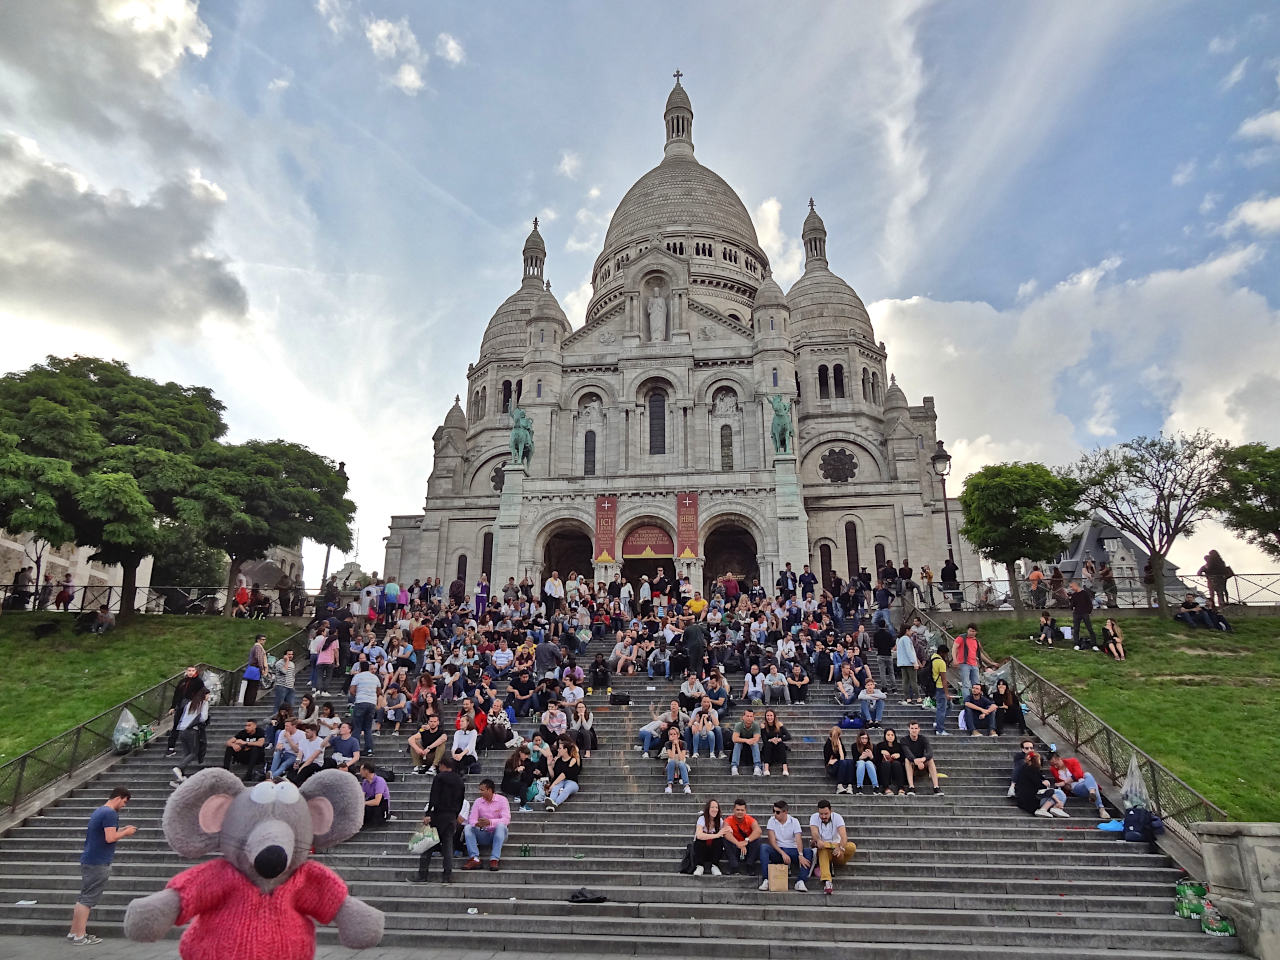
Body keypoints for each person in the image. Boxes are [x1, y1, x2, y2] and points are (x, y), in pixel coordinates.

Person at [68, 786, 135, 946]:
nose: (124, 806)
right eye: (124, 802)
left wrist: (121, 830)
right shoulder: (110, 813)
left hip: (90, 858)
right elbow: (110, 838)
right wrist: (126, 832)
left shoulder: (100, 811)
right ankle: (80, 936)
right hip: (98, 861)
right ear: (119, 797)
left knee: (83, 897)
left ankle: (75, 932)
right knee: (88, 900)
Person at [407, 756, 466, 883]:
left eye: (439, 766)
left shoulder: (439, 778)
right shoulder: (460, 781)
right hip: (451, 817)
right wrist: (455, 816)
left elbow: (433, 797)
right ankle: (447, 876)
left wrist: (428, 814)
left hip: (438, 815)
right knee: (448, 846)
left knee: (428, 845)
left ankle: (422, 875)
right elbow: (460, 801)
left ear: (443, 766)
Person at [758, 800, 810, 892]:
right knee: (764, 848)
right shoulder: (771, 820)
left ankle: (800, 881)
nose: (775, 814)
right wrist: (782, 853)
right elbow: (772, 841)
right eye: (773, 811)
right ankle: (766, 879)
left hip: (792, 850)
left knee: (808, 852)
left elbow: (798, 839)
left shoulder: (794, 821)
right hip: (778, 850)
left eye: (777, 812)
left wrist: (800, 854)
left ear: (785, 812)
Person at [808, 799, 856, 894]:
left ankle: (828, 846)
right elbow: (814, 833)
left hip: (838, 851)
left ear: (831, 811)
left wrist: (840, 848)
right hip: (824, 850)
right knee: (822, 849)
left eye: (826, 814)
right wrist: (818, 841)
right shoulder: (814, 817)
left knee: (852, 846)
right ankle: (827, 881)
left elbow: (843, 836)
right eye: (821, 814)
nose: (823, 816)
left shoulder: (837, 817)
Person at [463, 778, 511, 870]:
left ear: (489, 790)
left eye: (482, 790)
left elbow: (506, 819)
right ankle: (474, 858)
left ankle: (494, 859)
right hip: (483, 832)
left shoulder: (502, 800)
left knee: (501, 826)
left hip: (498, 834)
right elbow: (471, 819)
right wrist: (477, 824)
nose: (480, 792)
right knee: (468, 827)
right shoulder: (478, 801)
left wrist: (490, 822)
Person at [169, 687, 209, 787]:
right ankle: (179, 768)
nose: (209, 697)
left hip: (182, 730)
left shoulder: (190, 703)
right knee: (194, 752)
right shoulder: (203, 703)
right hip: (192, 730)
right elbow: (204, 717)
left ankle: (180, 775)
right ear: (204, 695)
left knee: (187, 753)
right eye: (208, 694)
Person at [1048, 752, 1108, 819]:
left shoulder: (1072, 761)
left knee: (1087, 775)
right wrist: (1064, 784)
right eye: (1053, 765)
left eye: (1056, 764)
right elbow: (1061, 783)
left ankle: (1092, 794)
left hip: (1084, 782)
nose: (1055, 766)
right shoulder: (1053, 769)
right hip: (1076, 788)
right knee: (1092, 785)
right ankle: (1101, 807)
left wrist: (1065, 782)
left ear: (1059, 758)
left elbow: (1079, 774)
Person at [1014, 750, 1068, 818]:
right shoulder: (1032, 770)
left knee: (1058, 793)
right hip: (1032, 802)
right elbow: (1041, 787)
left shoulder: (1025, 769)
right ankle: (1046, 809)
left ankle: (1056, 807)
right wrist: (1058, 801)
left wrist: (1045, 782)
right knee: (1059, 793)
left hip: (1024, 800)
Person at [349, 662, 381, 758]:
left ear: (360, 668)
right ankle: (369, 749)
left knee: (357, 727)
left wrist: (359, 694)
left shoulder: (358, 677)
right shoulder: (375, 677)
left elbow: (352, 691)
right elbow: (379, 691)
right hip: (371, 703)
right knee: (367, 728)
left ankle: (355, 749)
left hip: (361, 702)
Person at [724, 799, 763, 875]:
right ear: (734, 810)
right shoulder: (728, 820)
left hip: (747, 848)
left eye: (742, 810)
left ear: (745, 811)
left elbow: (758, 831)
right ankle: (734, 866)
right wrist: (738, 843)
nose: (740, 812)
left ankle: (750, 865)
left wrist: (746, 841)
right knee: (725, 839)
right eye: (737, 810)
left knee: (757, 840)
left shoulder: (750, 820)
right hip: (735, 847)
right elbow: (726, 833)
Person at [903, 722, 943, 794]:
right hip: (912, 762)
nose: (914, 730)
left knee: (930, 760)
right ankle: (911, 787)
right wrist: (915, 760)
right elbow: (907, 752)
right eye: (912, 728)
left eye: (916, 728)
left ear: (919, 729)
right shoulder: (904, 740)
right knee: (907, 760)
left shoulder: (923, 739)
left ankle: (936, 787)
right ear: (909, 729)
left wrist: (923, 759)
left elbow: (930, 752)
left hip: (922, 762)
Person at [692, 799, 728, 876]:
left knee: (719, 840)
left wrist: (728, 829)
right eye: (712, 807)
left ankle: (715, 866)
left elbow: (727, 830)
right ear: (708, 809)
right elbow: (699, 835)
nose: (714, 809)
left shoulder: (720, 821)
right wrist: (716, 835)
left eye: (716, 807)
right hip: (701, 849)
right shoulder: (702, 819)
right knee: (700, 840)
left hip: (713, 850)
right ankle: (700, 866)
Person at [545, 738, 581, 811]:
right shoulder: (558, 761)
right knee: (555, 788)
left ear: (565, 750)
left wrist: (553, 784)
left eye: (560, 748)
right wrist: (549, 765)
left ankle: (555, 804)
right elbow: (554, 776)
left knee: (566, 790)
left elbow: (564, 774)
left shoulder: (573, 760)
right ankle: (551, 803)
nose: (558, 750)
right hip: (561, 781)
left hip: (572, 782)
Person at [359, 761, 393, 827]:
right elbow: (362, 796)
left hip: (381, 805)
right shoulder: (365, 782)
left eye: (361, 770)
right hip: (370, 803)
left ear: (366, 771)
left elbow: (377, 801)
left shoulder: (379, 781)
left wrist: (363, 803)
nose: (360, 772)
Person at [875, 727, 908, 795]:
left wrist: (899, 755)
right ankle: (886, 787)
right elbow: (876, 760)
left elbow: (904, 758)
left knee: (896, 763)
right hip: (884, 768)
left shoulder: (899, 746)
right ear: (885, 736)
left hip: (897, 768)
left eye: (892, 735)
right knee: (886, 764)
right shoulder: (880, 745)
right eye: (888, 735)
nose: (890, 737)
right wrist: (881, 753)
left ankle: (901, 787)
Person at [731, 708, 763, 776]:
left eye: (751, 716)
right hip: (742, 745)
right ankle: (734, 767)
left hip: (751, 745)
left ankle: (757, 767)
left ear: (753, 718)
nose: (749, 718)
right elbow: (734, 739)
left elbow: (756, 738)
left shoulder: (756, 725)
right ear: (743, 717)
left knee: (755, 744)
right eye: (747, 716)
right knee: (737, 744)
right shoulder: (738, 725)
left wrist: (750, 741)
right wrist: (746, 740)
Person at [823, 726, 856, 794]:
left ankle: (849, 785)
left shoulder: (839, 742)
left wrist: (839, 745)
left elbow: (842, 757)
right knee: (843, 762)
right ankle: (839, 785)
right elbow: (828, 761)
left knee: (850, 762)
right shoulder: (828, 744)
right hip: (831, 768)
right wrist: (836, 760)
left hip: (839, 764)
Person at [759, 708, 791, 777]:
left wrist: (779, 739)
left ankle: (785, 769)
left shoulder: (779, 724)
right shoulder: (763, 726)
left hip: (778, 748)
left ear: (774, 716)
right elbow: (764, 740)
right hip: (768, 748)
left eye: (771, 715)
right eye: (767, 715)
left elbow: (788, 736)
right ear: (765, 716)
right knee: (768, 744)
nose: (769, 717)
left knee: (781, 744)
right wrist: (771, 740)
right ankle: (766, 768)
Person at [895, 623, 922, 704]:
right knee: (913, 681)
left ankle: (907, 698)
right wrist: (914, 662)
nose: (911, 632)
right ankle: (918, 697)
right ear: (907, 630)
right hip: (909, 663)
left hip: (902, 663)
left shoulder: (898, 639)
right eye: (910, 630)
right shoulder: (906, 639)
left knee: (905, 681)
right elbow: (909, 651)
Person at [1067, 581, 1099, 649]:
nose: (1071, 588)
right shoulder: (1074, 595)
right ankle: (1076, 644)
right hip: (1077, 613)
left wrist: (1089, 611)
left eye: (1072, 586)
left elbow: (1089, 603)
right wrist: (1070, 600)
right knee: (1076, 629)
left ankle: (1094, 644)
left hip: (1085, 613)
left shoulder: (1084, 593)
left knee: (1089, 628)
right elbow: (1072, 606)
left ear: (1076, 585)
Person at [952, 624, 981, 693]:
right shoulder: (961, 638)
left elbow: (980, 653)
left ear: (976, 632)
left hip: (974, 664)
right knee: (966, 684)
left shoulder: (976, 641)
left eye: (973, 631)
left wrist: (989, 662)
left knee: (976, 683)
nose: (971, 633)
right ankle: (967, 700)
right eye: (970, 631)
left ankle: (976, 699)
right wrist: (954, 659)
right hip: (964, 663)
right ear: (967, 630)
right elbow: (954, 648)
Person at [929, 644, 950, 736]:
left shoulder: (933, 658)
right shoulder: (941, 663)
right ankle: (940, 729)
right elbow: (943, 679)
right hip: (940, 687)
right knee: (941, 709)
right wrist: (947, 693)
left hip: (934, 685)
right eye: (945, 654)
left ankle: (938, 722)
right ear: (942, 653)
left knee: (950, 706)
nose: (946, 656)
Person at [663, 726, 691, 794]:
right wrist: (673, 745)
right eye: (671, 734)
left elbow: (681, 758)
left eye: (674, 734)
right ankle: (669, 785)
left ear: (678, 735)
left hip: (681, 765)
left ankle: (687, 786)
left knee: (681, 763)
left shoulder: (683, 743)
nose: (673, 736)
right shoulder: (667, 744)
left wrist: (677, 746)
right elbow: (671, 757)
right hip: (671, 765)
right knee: (672, 762)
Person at [243, 633, 268, 706]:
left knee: (250, 686)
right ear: (258, 640)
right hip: (255, 669)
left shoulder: (255, 647)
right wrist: (262, 669)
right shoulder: (258, 647)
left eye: (265, 639)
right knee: (253, 687)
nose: (264, 641)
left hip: (252, 668)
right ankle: (250, 702)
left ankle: (248, 701)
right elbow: (259, 658)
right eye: (262, 639)